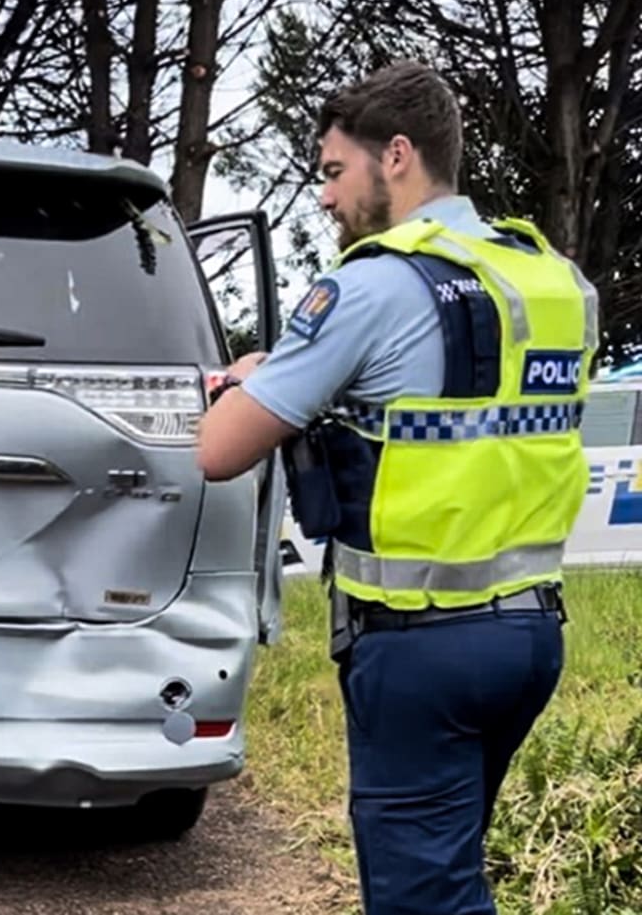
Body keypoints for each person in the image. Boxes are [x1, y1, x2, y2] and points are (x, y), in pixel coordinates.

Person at [197, 61, 598, 914]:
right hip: (530, 636)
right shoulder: (547, 277)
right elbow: (461, 407)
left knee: (424, 899)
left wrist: (245, 383)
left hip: (421, 648)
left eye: (334, 172)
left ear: (398, 157)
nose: (326, 199)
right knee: (448, 871)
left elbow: (219, 451)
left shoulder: (375, 282)